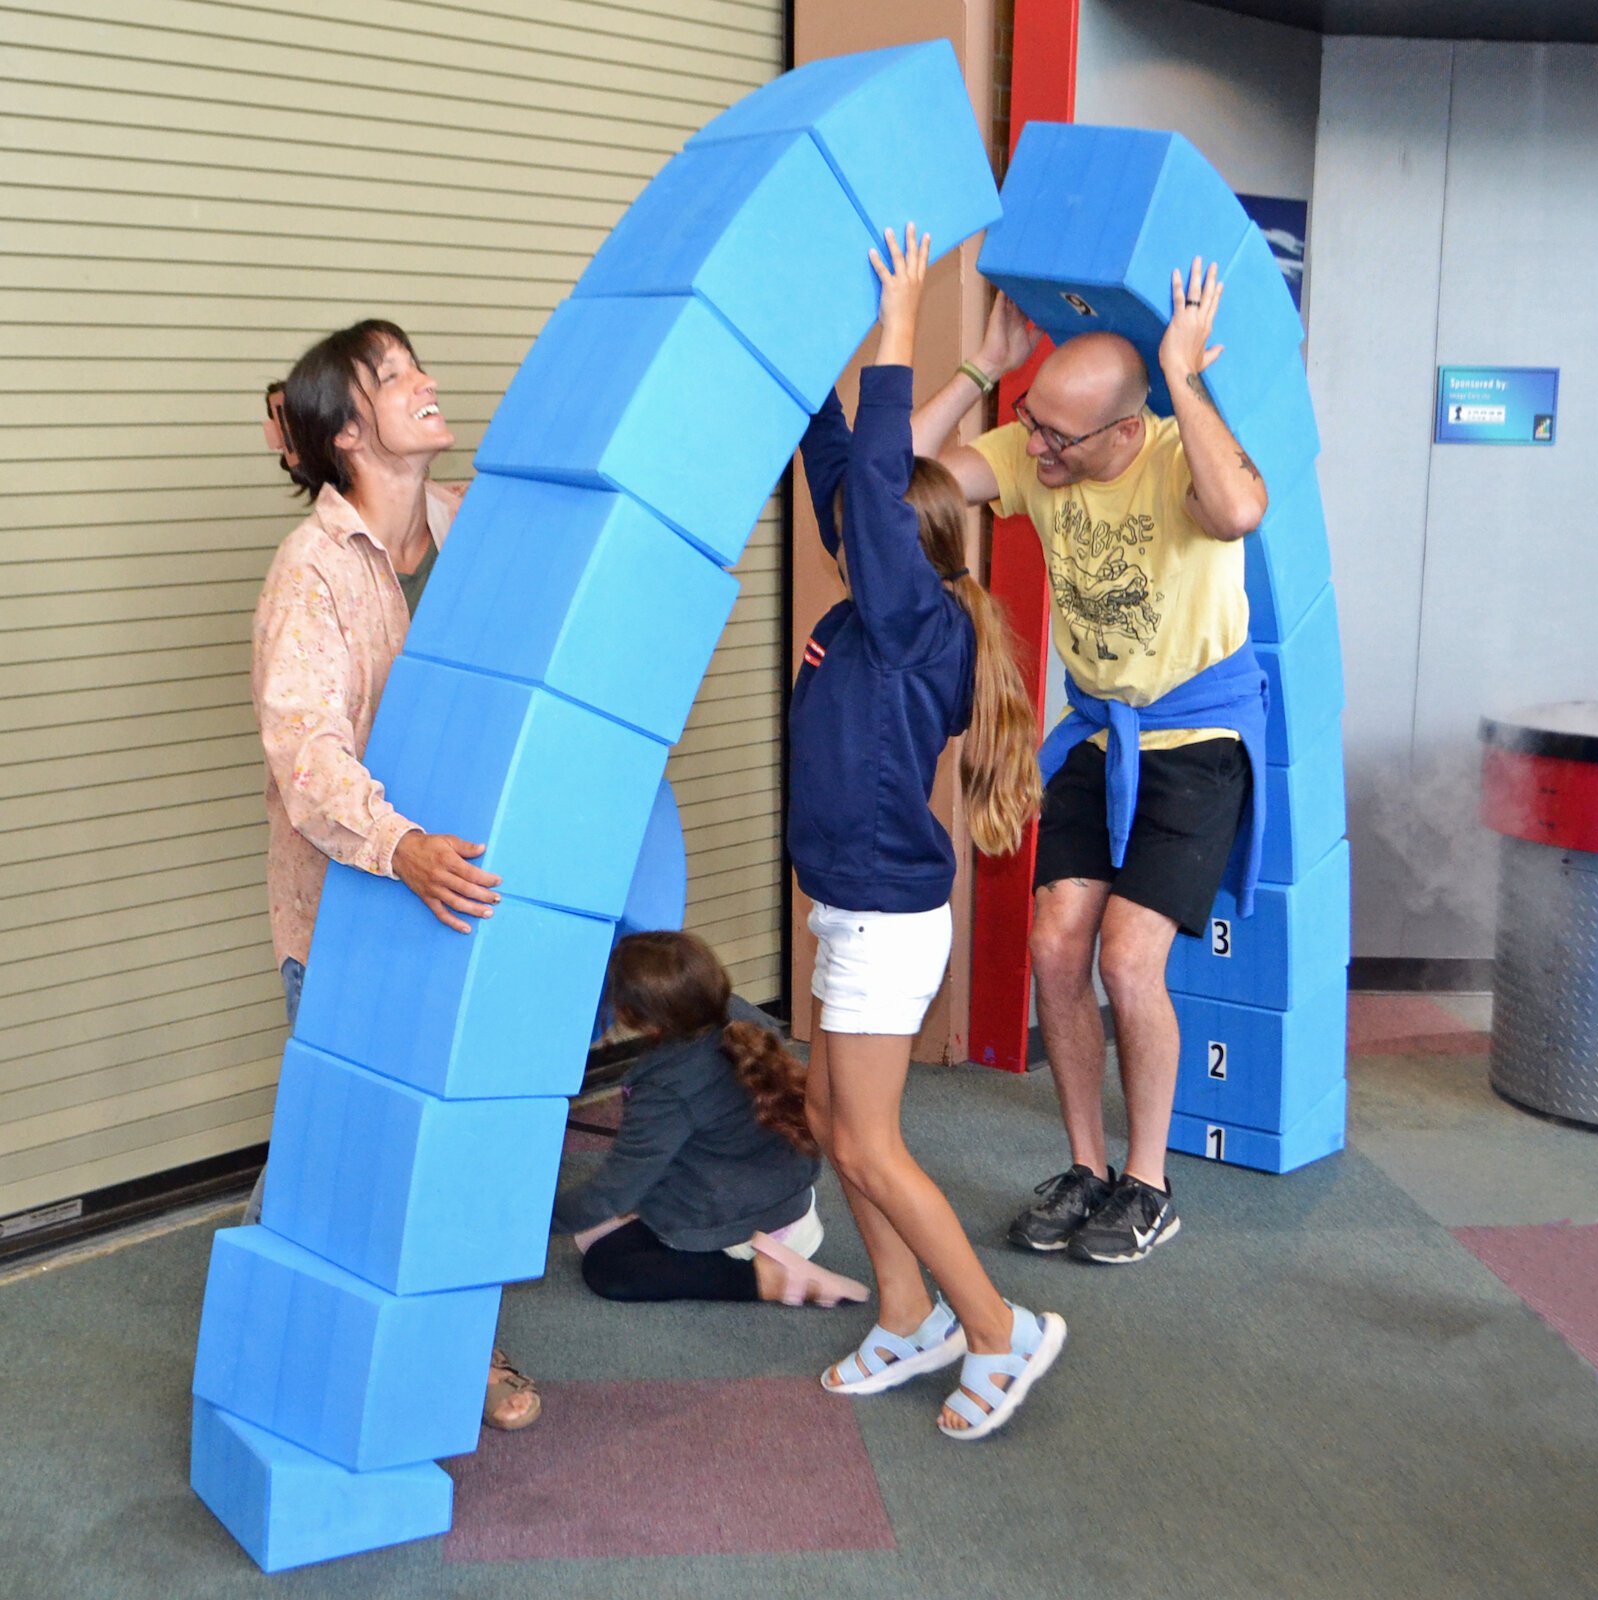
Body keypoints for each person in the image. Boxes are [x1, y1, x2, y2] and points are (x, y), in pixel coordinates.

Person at [913, 260, 1270, 1266]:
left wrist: (1182, 376)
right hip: (1101, 733)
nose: (1033, 449)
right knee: (1057, 946)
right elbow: (899, 480)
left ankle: (1148, 1180)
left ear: (1125, 428)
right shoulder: (1038, 452)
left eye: (1057, 436)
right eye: (1028, 421)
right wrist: (978, 370)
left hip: (1196, 744)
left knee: (1126, 956)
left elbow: (1239, 512)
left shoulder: (1173, 456)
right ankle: (1085, 1165)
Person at [794, 224, 1065, 1442]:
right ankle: (908, 1315)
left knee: (875, 1144)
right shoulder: (869, 622)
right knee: (828, 1126)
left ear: (905, 547)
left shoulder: (914, 626)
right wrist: (798, 356)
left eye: (869, 525)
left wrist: (900, 329)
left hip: (884, 919)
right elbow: (838, 459)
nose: (845, 527)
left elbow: (868, 481)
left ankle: (1002, 1330)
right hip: (849, 904)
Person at [253, 319, 537, 1431]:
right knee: (346, 1149)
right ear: (346, 433)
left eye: (416, 362)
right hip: (353, 907)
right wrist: (401, 845)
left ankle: (455, 1344)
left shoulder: (477, 526)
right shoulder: (313, 569)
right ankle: (286, 1341)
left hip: (466, 888)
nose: (425, 381)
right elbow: (304, 753)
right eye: (392, 376)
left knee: (448, 1135)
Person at [554, 931, 868, 1308]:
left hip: (739, 1228)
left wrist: (532, 1224)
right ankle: (769, 1257)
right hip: (793, 1207)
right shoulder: (741, 1017)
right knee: (591, 1231)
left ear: (636, 1016)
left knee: (606, 1266)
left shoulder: (667, 1088)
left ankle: (761, 1280)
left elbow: (613, 1193)